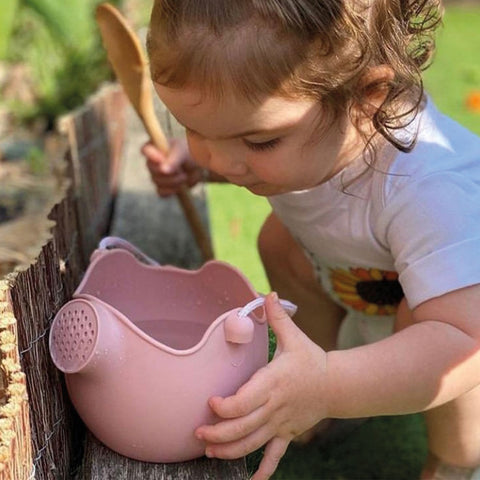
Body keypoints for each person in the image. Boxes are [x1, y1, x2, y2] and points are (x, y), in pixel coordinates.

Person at [141, 1, 480, 479]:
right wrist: (194, 162)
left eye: (259, 142)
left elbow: (466, 344)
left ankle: (454, 460)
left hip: (460, 331)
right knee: (280, 241)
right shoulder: (320, 131)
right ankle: (316, 377)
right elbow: (229, 146)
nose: (222, 160)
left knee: (436, 335)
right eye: (194, 127)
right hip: (365, 282)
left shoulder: (429, 194)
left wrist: (329, 386)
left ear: (368, 97)